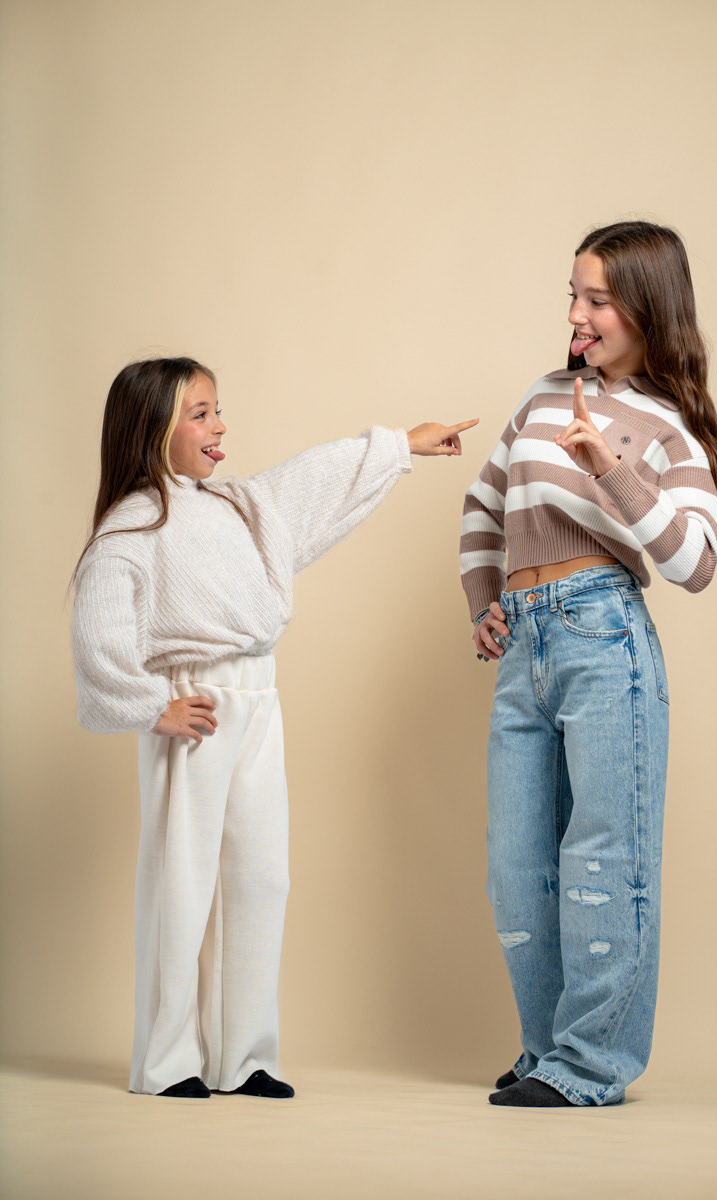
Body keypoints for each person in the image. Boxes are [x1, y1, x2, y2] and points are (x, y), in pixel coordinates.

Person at [71, 356, 477, 1098]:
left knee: (259, 878)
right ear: (152, 427)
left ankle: (245, 1057)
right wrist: (151, 705)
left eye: (217, 409)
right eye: (200, 413)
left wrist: (399, 446)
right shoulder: (130, 529)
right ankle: (168, 1061)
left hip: (258, 700)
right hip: (194, 713)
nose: (219, 425)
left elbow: (307, 482)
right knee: (183, 882)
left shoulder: (236, 506)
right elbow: (97, 641)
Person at [460, 220, 717, 1108]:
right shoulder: (544, 395)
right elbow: (484, 503)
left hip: (602, 637)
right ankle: (547, 1048)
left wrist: (611, 468)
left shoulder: (669, 428)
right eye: (573, 296)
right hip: (526, 645)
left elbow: (695, 563)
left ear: (647, 310)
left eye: (597, 300)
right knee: (518, 865)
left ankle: (590, 1064)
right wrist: (483, 598)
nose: (576, 316)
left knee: (602, 857)